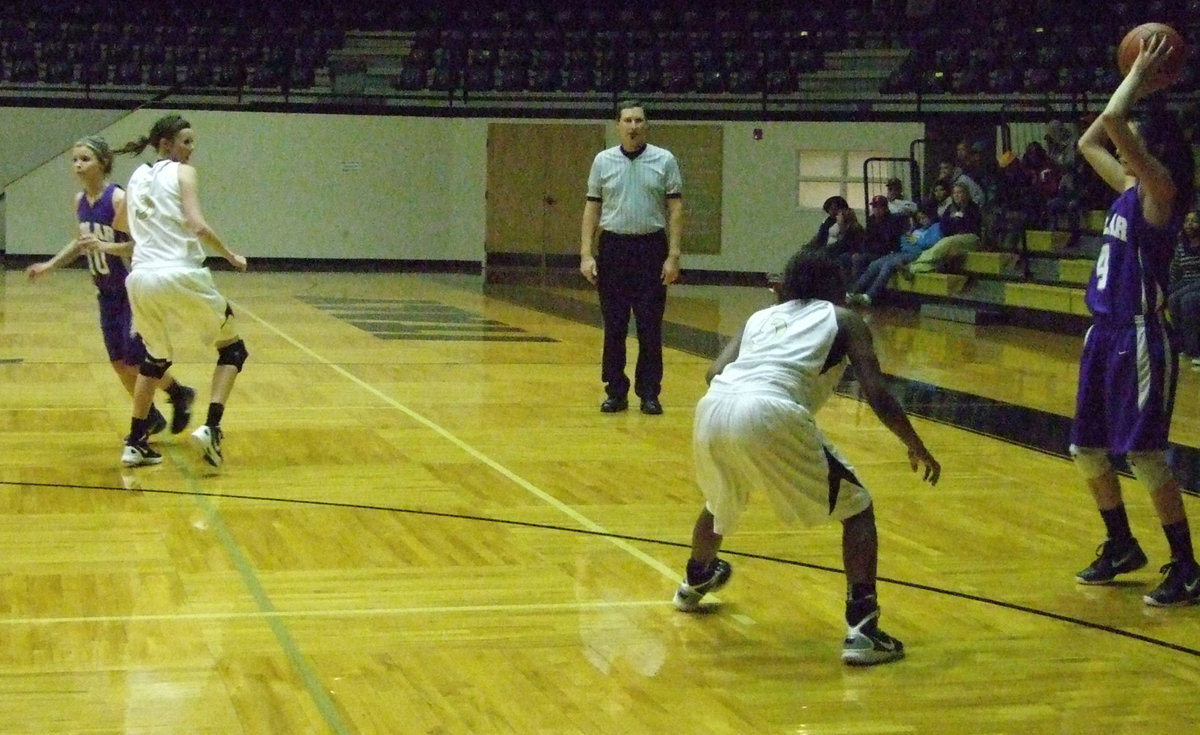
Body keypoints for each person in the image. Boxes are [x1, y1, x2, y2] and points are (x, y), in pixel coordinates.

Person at [672, 251, 940, 666]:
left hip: (714, 406)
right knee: (858, 507)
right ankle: (863, 629)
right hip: (767, 409)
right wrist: (914, 442)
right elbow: (876, 392)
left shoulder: (761, 317)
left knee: (720, 498)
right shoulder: (843, 318)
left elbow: (713, 372)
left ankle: (694, 581)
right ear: (834, 284)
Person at [1070, 33, 1200, 606]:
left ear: (1154, 152)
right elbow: (1090, 138)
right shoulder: (1127, 187)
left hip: (1143, 335)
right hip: (1103, 334)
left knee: (1144, 454)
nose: (1124, 149)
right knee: (1087, 451)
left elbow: (1114, 121)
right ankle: (1121, 543)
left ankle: (1188, 565)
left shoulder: (1161, 192)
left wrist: (1139, 80)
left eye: (1136, 146)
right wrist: (1136, 85)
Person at [25, 135, 195, 439]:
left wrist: (104, 245)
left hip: (132, 292)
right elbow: (82, 242)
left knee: (134, 361)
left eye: (85, 159)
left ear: (102, 163)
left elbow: (142, 244)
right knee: (118, 363)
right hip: (106, 294)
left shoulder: (117, 199)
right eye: (75, 159)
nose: (78, 165)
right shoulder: (80, 201)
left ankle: (177, 394)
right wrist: (49, 265)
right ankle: (153, 415)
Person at [112, 114, 249, 468]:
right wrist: (230, 255)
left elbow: (121, 225)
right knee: (233, 350)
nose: (190, 150)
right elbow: (197, 225)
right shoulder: (184, 173)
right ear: (166, 143)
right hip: (182, 274)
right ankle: (212, 429)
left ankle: (135, 442)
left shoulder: (138, 175)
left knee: (154, 360)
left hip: (141, 278)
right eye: (186, 142)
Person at [580, 100, 683, 416]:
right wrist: (586, 254)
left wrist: (673, 256)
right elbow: (592, 208)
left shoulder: (664, 160)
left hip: (651, 248)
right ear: (618, 125)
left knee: (650, 326)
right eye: (628, 120)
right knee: (614, 326)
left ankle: (649, 392)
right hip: (613, 249)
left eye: (639, 120)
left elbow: (676, 209)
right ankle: (615, 391)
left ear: (646, 125)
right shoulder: (603, 160)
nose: (633, 126)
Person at [848, 206, 942, 306]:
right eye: (920, 219)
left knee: (888, 265)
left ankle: (869, 296)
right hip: (903, 252)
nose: (922, 221)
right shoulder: (917, 229)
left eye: (924, 218)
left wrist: (918, 241)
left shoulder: (936, 227)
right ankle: (854, 291)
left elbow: (934, 243)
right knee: (875, 264)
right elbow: (905, 242)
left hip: (918, 254)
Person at [1168, 211, 1200, 366]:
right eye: (1187, 220)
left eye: (1194, 221)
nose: (1189, 224)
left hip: (1197, 284)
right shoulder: (1182, 245)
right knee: (1173, 299)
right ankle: (1183, 345)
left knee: (1188, 301)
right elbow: (1174, 270)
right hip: (1186, 284)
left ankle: (1195, 350)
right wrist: (1170, 287)